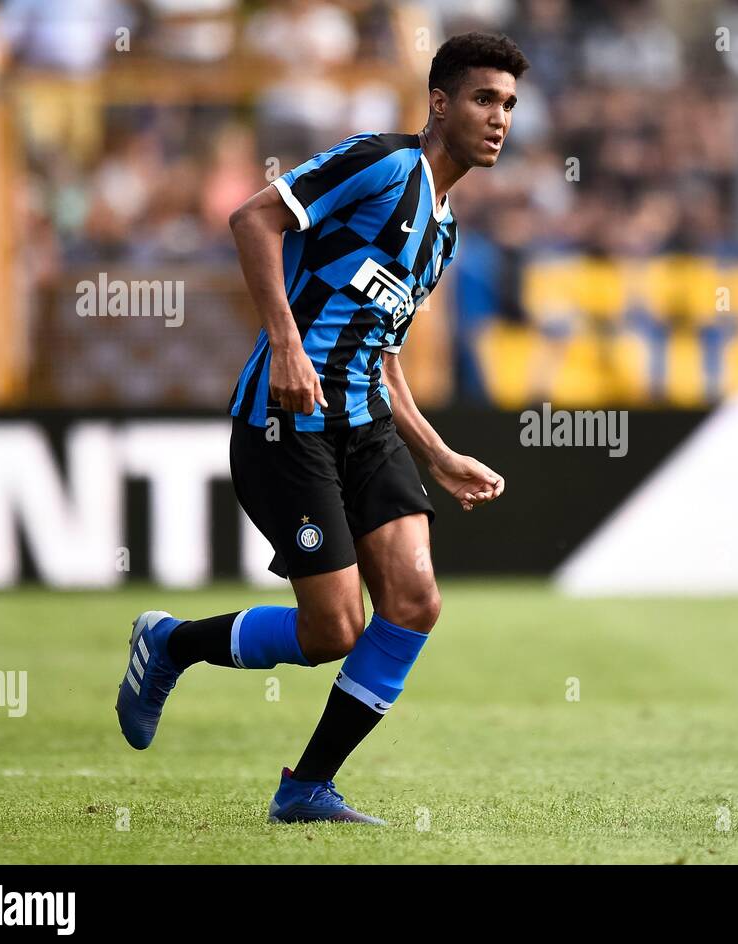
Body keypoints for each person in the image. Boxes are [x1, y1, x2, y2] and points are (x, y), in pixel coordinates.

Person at [115, 32, 529, 824]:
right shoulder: (380, 163)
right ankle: (169, 644)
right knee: (333, 627)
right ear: (439, 102)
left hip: (365, 425)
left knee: (413, 600)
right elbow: (252, 219)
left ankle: (306, 786)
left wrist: (438, 453)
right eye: (483, 98)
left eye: (508, 103)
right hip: (286, 422)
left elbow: (382, 354)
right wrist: (283, 340)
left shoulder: (441, 232)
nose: (498, 117)